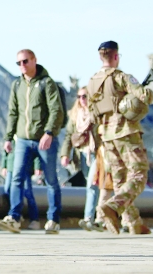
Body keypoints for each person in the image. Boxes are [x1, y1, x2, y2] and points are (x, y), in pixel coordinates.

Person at [87, 40, 153, 234]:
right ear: (116, 56)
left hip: (106, 135)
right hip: (126, 132)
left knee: (119, 178)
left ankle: (133, 222)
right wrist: (148, 93)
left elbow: (92, 114)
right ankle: (113, 206)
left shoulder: (92, 82)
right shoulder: (121, 77)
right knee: (139, 174)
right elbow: (143, 94)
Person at [0, 49, 65, 235]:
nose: (22, 66)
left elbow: (56, 110)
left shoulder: (46, 83)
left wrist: (49, 133)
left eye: (25, 61)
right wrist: (8, 137)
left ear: (34, 60)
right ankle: (14, 217)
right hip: (23, 140)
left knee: (51, 180)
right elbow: (13, 113)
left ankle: (53, 219)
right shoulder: (17, 85)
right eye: (18, 63)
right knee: (16, 178)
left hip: (44, 139)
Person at [60, 86, 99, 229]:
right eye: (79, 97)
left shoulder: (97, 114)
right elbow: (68, 136)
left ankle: (89, 217)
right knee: (94, 185)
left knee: (92, 185)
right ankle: (99, 217)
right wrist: (65, 154)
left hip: (96, 153)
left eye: (85, 96)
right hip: (81, 155)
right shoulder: (75, 116)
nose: (82, 99)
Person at [1, 139, 40, 230]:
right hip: (11, 166)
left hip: (24, 167)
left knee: (28, 192)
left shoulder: (26, 136)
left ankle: (34, 219)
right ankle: (16, 214)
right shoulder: (11, 136)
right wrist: (4, 165)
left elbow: (36, 150)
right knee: (7, 190)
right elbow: (5, 150)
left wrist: (37, 166)